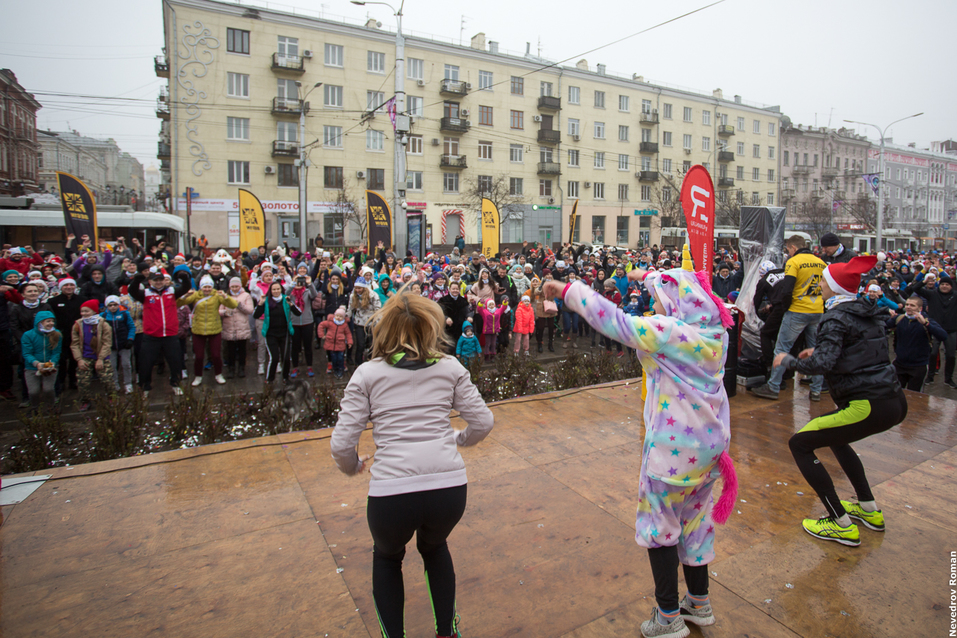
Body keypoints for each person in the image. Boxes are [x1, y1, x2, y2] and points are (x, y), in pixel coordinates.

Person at [544, 246, 736, 638]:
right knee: (695, 525)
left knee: (660, 528)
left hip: (672, 456)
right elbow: (673, 288)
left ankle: (667, 617)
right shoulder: (715, 333)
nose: (655, 308)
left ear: (677, 309)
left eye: (661, 302)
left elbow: (616, 321)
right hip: (711, 452)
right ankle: (699, 603)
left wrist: (566, 290)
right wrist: (643, 276)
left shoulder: (669, 334)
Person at [330, 293, 494, 638]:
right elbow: (482, 422)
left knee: (388, 559)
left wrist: (352, 466)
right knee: (435, 549)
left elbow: (342, 444)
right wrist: (457, 440)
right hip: (448, 490)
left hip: (392, 494)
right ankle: (446, 633)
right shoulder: (451, 367)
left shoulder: (368, 374)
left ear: (384, 329)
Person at [773, 255, 907, 546]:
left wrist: (790, 361)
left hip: (868, 403)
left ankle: (839, 522)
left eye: (824, 280)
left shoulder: (835, 315)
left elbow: (823, 365)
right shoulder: (865, 312)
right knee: (835, 439)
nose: (820, 284)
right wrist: (818, 353)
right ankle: (868, 508)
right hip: (892, 399)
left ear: (833, 286)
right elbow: (856, 353)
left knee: (800, 443)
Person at [751, 236, 826, 401]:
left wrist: (785, 308)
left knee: (781, 349)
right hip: (817, 310)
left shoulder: (794, 262)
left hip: (798, 310)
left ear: (793, 247)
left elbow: (787, 288)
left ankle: (773, 386)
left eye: (788, 249)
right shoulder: (821, 262)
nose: (788, 252)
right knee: (815, 351)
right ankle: (816, 390)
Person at [129, 268, 192, 397]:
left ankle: (176, 384)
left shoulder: (172, 291)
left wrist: (184, 278)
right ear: (151, 281)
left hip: (170, 334)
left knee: (175, 362)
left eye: (160, 280)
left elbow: (186, 287)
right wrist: (137, 279)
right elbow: (132, 291)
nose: (158, 282)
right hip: (151, 335)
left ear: (164, 280)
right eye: (155, 280)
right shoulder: (145, 293)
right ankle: (144, 387)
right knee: (146, 363)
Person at [178, 275, 238, 386]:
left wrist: (225, 296)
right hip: (198, 329)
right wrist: (186, 295)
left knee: (216, 355)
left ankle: (218, 374)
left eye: (209, 287)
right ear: (201, 287)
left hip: (214, 329)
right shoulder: (196, 295)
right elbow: (178, 303)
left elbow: (233, 305)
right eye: (204, 287)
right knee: (199, 356)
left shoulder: (217, 295)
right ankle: (198, 376)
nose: (207, 289)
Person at [886, 295, 949, 392]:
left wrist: (926, 324)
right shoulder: (899, 319)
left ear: (920, 308)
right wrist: (886, 315)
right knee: (896, 393)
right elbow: (882, 327)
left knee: (915, 396)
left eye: (912, 305)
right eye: (907, 304)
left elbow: (943, 336)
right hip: (900, 364)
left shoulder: (927, 321)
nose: (908, 307)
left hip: (918, 366)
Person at [906, 272, 956, 388]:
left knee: (951, 355)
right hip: (934, 329)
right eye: (942, 284)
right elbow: (916, 288)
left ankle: (948, 379)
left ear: (951, 286)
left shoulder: (955, 296)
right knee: (933, 354)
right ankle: (930, 376)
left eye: (947, 284)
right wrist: (924, 278)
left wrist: (942, 271)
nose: (944, 286)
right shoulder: (933, 294)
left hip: (951, 330)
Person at [71, 299, 115, 411]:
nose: (84, 314)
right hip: (85, 356)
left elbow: (107, 343)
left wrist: (101, 358)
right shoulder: (77, 325)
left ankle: (112, 398)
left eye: (87, 311)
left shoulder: (104, 325)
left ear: (94, 312)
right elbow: (74, 344)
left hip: (101, 356)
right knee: (83, 382)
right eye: (82, 311)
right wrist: (79, 359)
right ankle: (85, 401)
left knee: (107, 380)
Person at [253, 281, 301, 383]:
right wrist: (260, 304)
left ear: (281, 290)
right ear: (270, 291)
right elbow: (256, 315)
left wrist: (291, 304)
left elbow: (298, 313)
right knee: (274, 358)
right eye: (274, 289)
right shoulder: (266, 301)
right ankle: (270, 379)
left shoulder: (285, 299)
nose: (276, 291)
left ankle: (285, 377)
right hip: (271, 334)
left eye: (278, 289)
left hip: (285, 333)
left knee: (286, 358)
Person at [20, 310, 61, 410]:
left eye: (52, 321)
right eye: (48, 321)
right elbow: (27, 353)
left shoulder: (57, 334)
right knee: (33, 391)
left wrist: (53, 363)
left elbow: (56, 352)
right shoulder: (28, 335)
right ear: (40, 322)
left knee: (48, 389)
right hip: (32, 367)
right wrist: (37, 364)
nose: (51, 323)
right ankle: (35, 408)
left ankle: (51, 408)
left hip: (50, 367)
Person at [287, 272, 320, 377]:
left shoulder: (307, 291)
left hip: (307, 322)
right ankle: (295, 367)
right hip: (295, 322)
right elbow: (285, 295)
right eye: (297, 281)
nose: (299, 283)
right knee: (295, 347)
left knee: (308, 346)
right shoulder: (291, 293)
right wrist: (292, 283)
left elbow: (315, 295)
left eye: (301, 282)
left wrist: (310, 284)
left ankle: (309, 366)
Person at [221, 277, 254, 379]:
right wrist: (225, 312)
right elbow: (220, 310)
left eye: (236, 286)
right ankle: (231, 368)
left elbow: (250, 310)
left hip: (242, 326)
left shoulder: (246, 295)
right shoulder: (225, 296)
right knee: (230, 349)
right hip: (229, 325)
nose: (234, 288)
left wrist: (239, 305)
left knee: (242, 349)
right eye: (233, 287)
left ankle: (241, 368)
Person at [101, 295, 136, 393]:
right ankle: (115, 384)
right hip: (110, 346)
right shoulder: (103, 316)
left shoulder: (125, 314)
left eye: (115, 305)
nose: (113, 307)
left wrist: (130, 339)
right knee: (112, 366)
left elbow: (131, 327)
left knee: (126, 364)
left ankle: (128, 383)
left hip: (124, 344)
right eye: (110, 305)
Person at [346, 276, 382, 367]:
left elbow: (378, 309)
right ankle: (358, 364)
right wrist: (347, 317)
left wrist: (378, 321)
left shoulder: (373, 295)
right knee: (360, 344)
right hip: (359, 322)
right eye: (356, 288)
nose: (357, 290)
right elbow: (350, 308)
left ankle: (371, 362)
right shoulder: (353, 296)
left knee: (371, 343)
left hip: (371, 322)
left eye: (359, 288)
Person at [317, 307, 353, 379]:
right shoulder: (330, 322)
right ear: (334, 315)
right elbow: (321, 325)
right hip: (331, 344)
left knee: (340, 358)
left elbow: (348, 334)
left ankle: (340, 370)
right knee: (333, 358)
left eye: (340, 317)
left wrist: (350, 342)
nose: (338, 318)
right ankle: (335, 369)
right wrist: (322, 335)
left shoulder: (344, 325)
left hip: (340, 345)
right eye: (337, 316)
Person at [475, 298, 507, 362]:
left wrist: (504, 303)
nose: (491, 306)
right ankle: (486, 356)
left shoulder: (497, 311)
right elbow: (479, 309)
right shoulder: (484, 312)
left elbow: (503, 308)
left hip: (495, 330)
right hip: (487, 330)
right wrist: (480, 304)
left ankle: (492, 356)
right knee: (487, 344)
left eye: (492, 304)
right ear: (487, 306)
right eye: (490, 305)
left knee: (493, 344)